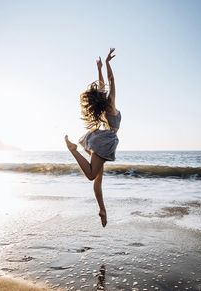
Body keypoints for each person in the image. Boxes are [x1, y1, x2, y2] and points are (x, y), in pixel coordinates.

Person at [65, 48, 121, 227]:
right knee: (91, 175)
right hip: (105, 141)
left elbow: (104, 84)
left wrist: (100, 68)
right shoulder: (110, 105)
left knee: (97, 181)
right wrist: (107, 64)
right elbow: (111, 81)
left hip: (101, 139)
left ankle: (102, 210)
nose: (107, 91)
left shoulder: (107, 106)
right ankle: (73, 150)